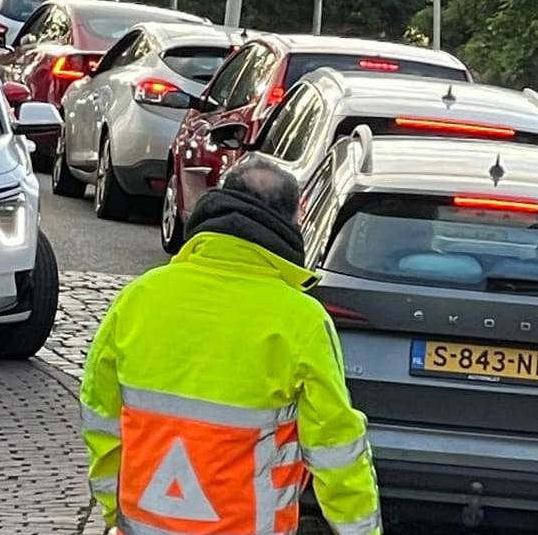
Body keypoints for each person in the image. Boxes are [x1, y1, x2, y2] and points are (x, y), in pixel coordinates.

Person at [80, 158, 382, 535]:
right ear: (294, 220)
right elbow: (336, 452)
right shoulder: (300, 321)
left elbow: (100, 418)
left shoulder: (139, 299)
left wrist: (113, 509)